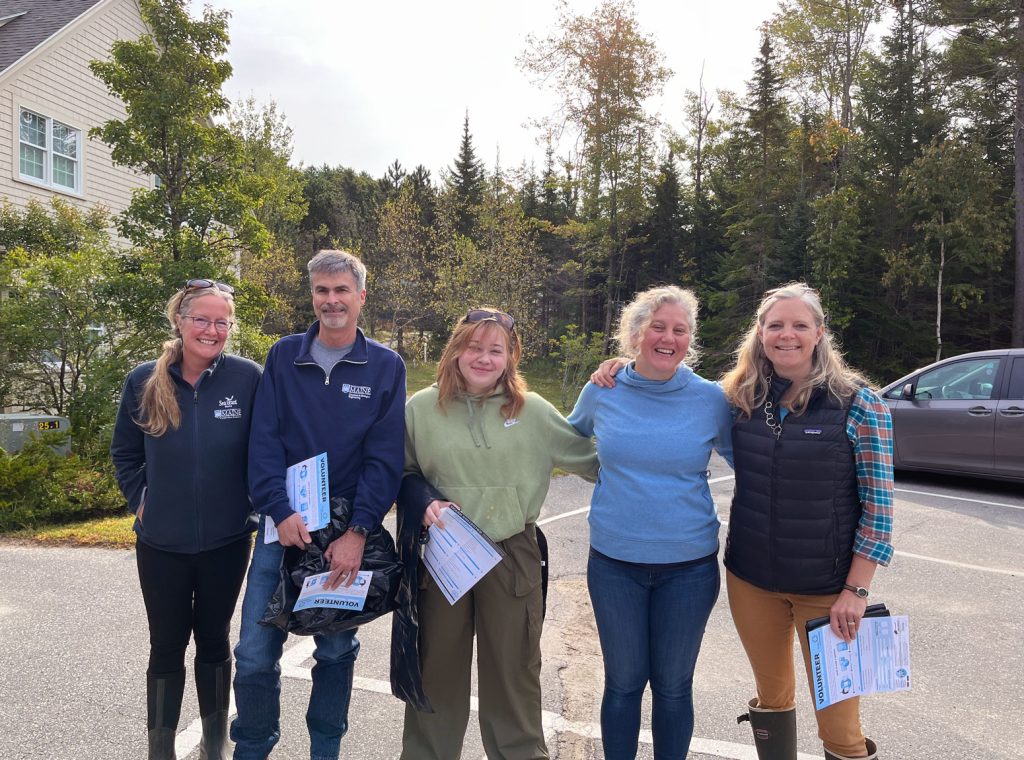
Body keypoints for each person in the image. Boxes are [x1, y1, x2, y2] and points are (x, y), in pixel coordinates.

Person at [399, 307, 598, 760]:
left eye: (496, 350)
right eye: (474, 347)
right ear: (455, 350)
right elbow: (403, 473)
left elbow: (596, 462)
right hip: (445, 554)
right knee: (436, 672)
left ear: (511, 357)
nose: (483, 358)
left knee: (515, 672)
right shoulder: (422, 408)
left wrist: (623, 399)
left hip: (512, 552)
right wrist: (422, 500)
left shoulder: (534, 412)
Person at [231, 250, 406, 760]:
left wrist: (359, 531)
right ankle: (254, 746)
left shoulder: (385, 365)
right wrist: (279, 510)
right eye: (322, 291)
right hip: (282, 526)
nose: (332, 301)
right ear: (312, 296)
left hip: (347, 530)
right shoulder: (284, 356)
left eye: (341, 291)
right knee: (254, 653)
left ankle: (325, 749)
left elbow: (386, 456)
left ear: (360, 297)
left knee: (335, 648)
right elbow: (263, 439)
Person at [721, 283, 893, 760]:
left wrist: (856, 591)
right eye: (775, 325)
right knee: (771, 699)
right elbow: (670, 390)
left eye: (799, 325)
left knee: (840, 725)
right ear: (760, 332)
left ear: (819, 332)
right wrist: (620, 369)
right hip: (750, 580)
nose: (786, 335)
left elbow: (879, 512)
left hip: (828, 590)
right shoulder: (740, 397)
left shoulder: (860, 404)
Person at [568, 285, 733, 760]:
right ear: (636, 333)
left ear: (690, 339)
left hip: (690, 568)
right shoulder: (603, 389)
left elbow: (754, 462)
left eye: (680, 330)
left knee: (674, 686)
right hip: (615, 566)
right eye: (658, 327)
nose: (668, 337)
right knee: (622, 684)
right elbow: (563, 444)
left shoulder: (709, 399)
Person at [111, 280, 261, 760]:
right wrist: (143, 502)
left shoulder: (247, 378)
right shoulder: (143, 380)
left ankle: (214, 744)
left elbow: (266, 449)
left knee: (215, 639)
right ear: (179, 319)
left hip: (227, 540)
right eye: (202, 318)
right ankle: (161, 749)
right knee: (166, 643)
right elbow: (125, 453)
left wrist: (252, 503)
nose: (212, 330)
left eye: (222, 321)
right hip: (161, 543)